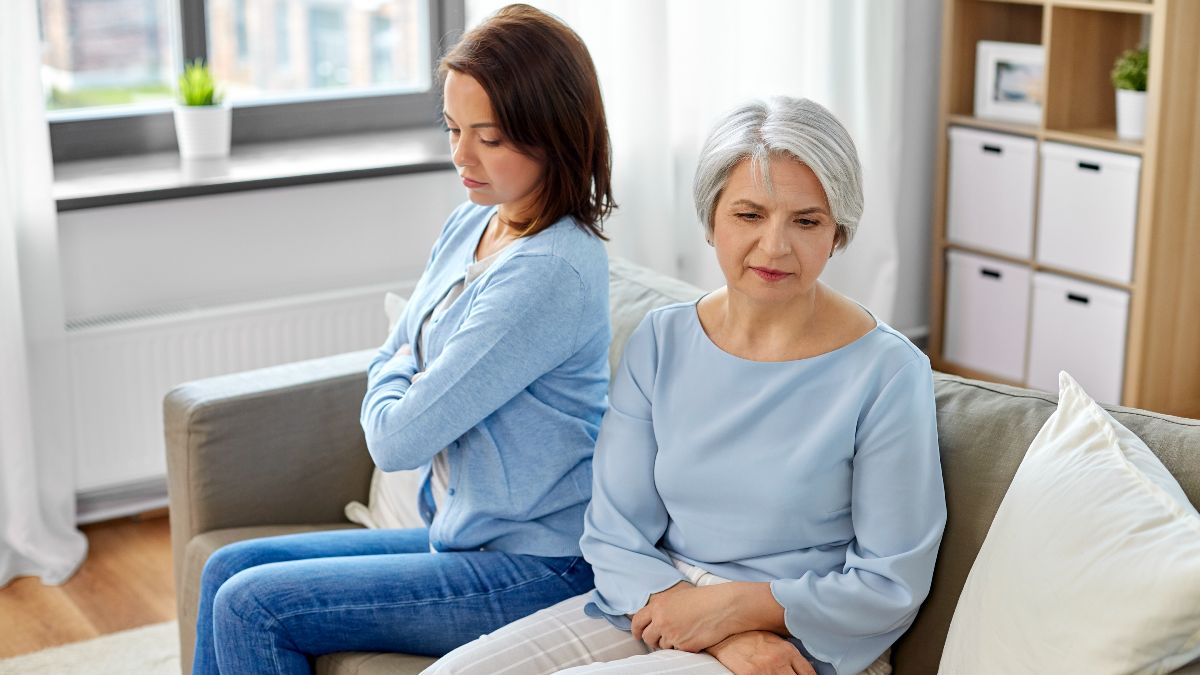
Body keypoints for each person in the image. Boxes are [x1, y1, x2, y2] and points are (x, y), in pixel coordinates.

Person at [426, 96, 947, 675]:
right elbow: (613, 531)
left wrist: (732, 611)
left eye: (806, 221)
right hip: (659, 604)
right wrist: (709, 625)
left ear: (837, 233)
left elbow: (889, 582)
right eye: (749, 215)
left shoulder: (888, 372)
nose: (775, 246)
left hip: (802, 639)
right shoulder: (663, 339)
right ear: (711, 219)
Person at [191, 5, 615, 673]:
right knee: (227, 568)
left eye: (490, 137)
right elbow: (398, 353)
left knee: (255, 604)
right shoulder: (470, 224)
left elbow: (396, 437)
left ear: (555, 135)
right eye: (452, 128)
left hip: (542, 566)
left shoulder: (551, 270)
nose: (460, 155)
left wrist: (400, 366)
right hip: (462, 539)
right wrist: (402, 364)